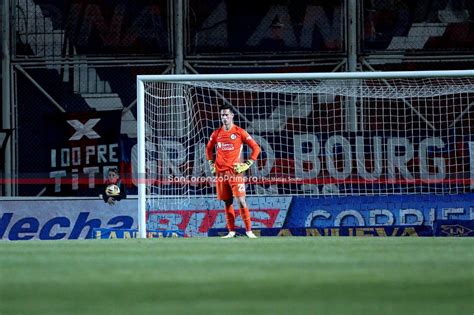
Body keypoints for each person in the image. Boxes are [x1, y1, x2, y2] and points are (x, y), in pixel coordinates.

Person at [206, 104, 261, 238]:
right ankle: (231, 232)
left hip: (235, 173)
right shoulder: (216, 133)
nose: (224, 117)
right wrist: (211, 163)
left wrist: (247, 164)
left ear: (232, 116)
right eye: (222, 115)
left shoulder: (239, 132)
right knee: (227, 202)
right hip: (220, 173)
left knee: (241, 201)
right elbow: (208, 149)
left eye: (226, 115)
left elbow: (256, 148)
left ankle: (249, 231)